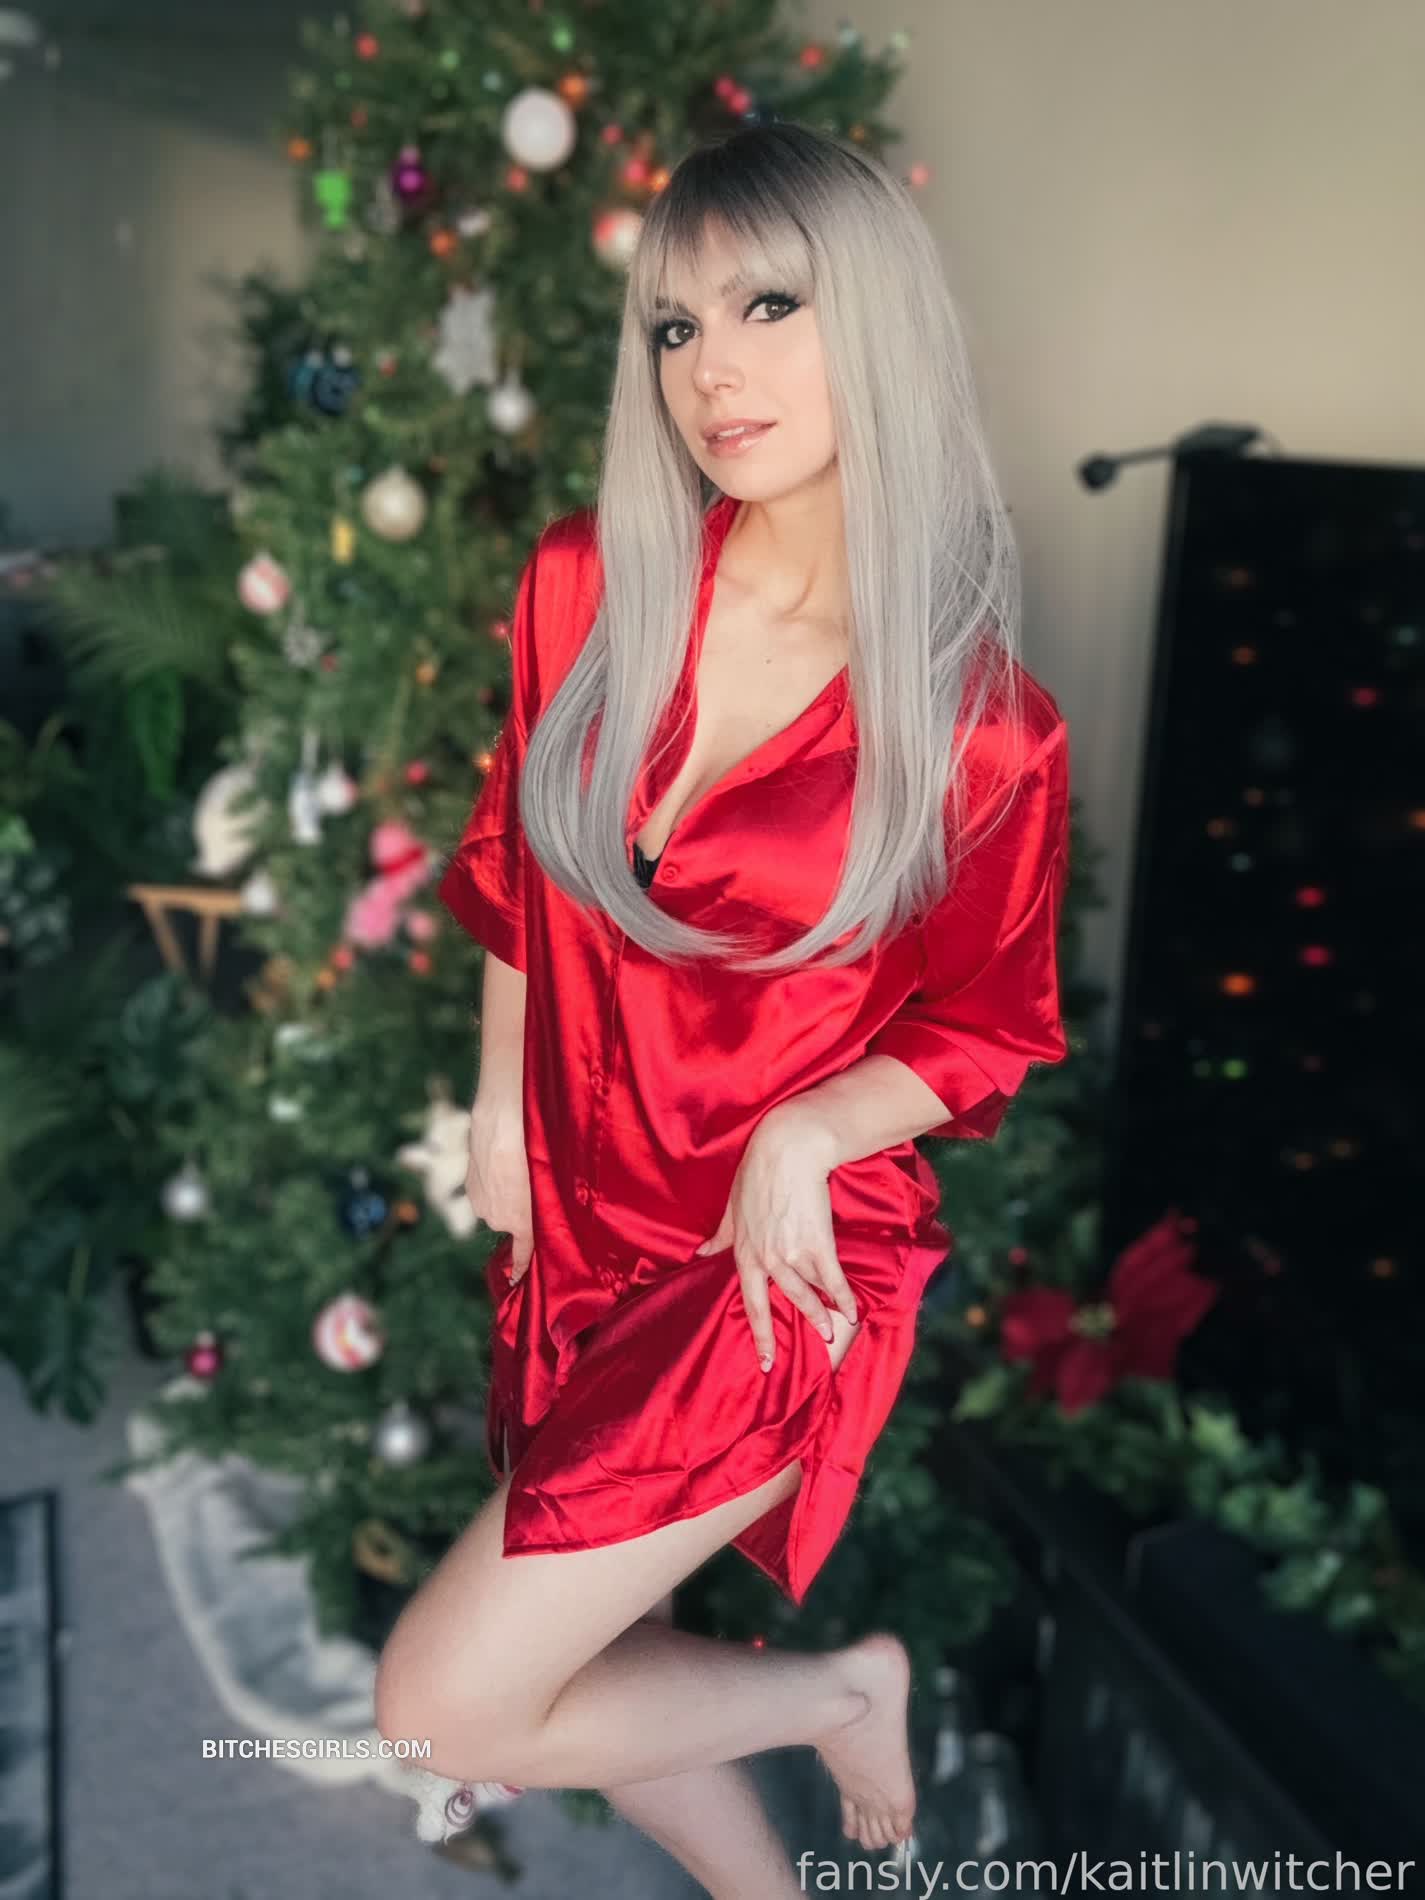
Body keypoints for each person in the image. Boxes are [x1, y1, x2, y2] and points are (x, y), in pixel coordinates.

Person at [375, 119, 1071, 1893]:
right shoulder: (585, 583)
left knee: (440, 1713)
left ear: (878, 323)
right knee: (607, 1668)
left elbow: (987, 1025)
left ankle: (842, 1689)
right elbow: (519, 862)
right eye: (675, 326)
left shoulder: (982, 726)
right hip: (579, 1218)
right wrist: (496, 1098)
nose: (710, 370)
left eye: (767, 305)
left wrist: (809, 1131)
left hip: (765, 1271)